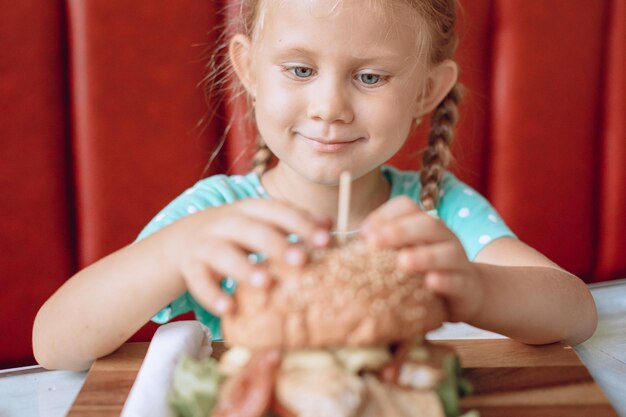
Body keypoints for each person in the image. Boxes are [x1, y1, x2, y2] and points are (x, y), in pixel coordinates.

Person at [32, 0, 597, 371]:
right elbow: (54, 344)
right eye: (299, 70)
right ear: (250, 71)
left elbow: (576, 312)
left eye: (370, 76)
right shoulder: (217, 218)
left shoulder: (436, 210)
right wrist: (177, 252)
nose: (329, 109)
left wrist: (474, 288)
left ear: (427, 91)